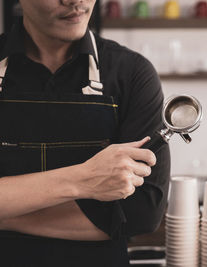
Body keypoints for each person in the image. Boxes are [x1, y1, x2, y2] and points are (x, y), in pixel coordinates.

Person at [0, 0, 170, 266]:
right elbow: (116, 211)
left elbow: (141, 213)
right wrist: (84, 179)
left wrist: (7, 212)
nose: (76, 1)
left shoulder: (133, 74)